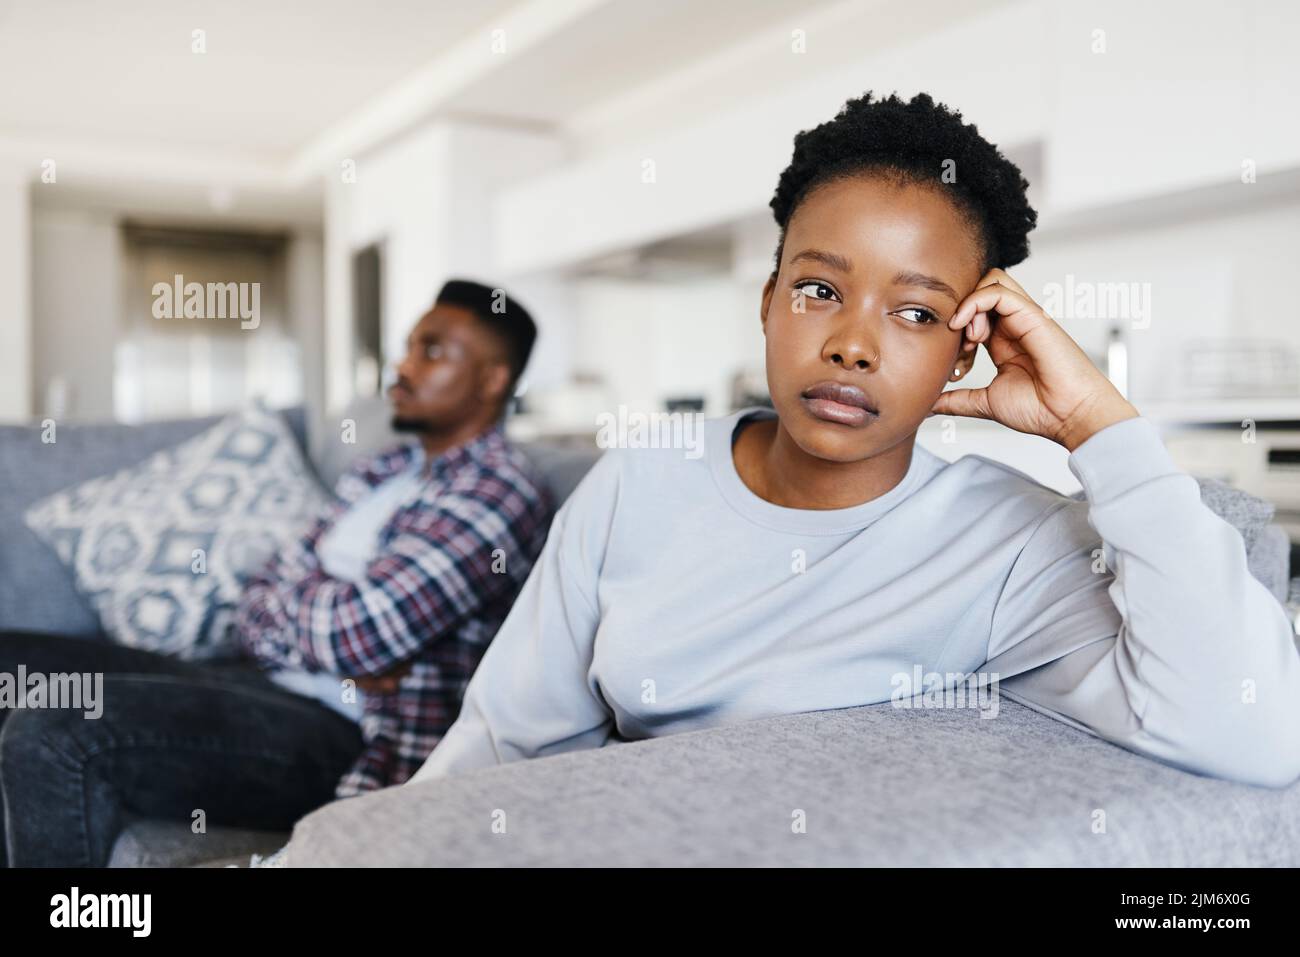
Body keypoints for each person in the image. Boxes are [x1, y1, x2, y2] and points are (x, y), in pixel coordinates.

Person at [409, 91, 1300, 793]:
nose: (853, 344)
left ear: (966, 351)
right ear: (768, 303)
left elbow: (1250, 733)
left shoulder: (1011, 544)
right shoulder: (641, 476)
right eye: (818, 290)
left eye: (916, 312)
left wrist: (1099, 424)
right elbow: (502, 742)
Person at [0, 278, 555, 866]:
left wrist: (303, 611)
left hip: (348, 732)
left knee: (57, 728)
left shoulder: (499, 489)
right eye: (409, 346)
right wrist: (318, 619)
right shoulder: (379, 473)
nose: (403, 366)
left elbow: (356, 633)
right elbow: (260, 601)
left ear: (494, 379)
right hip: (259, 677)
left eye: (433, 350)